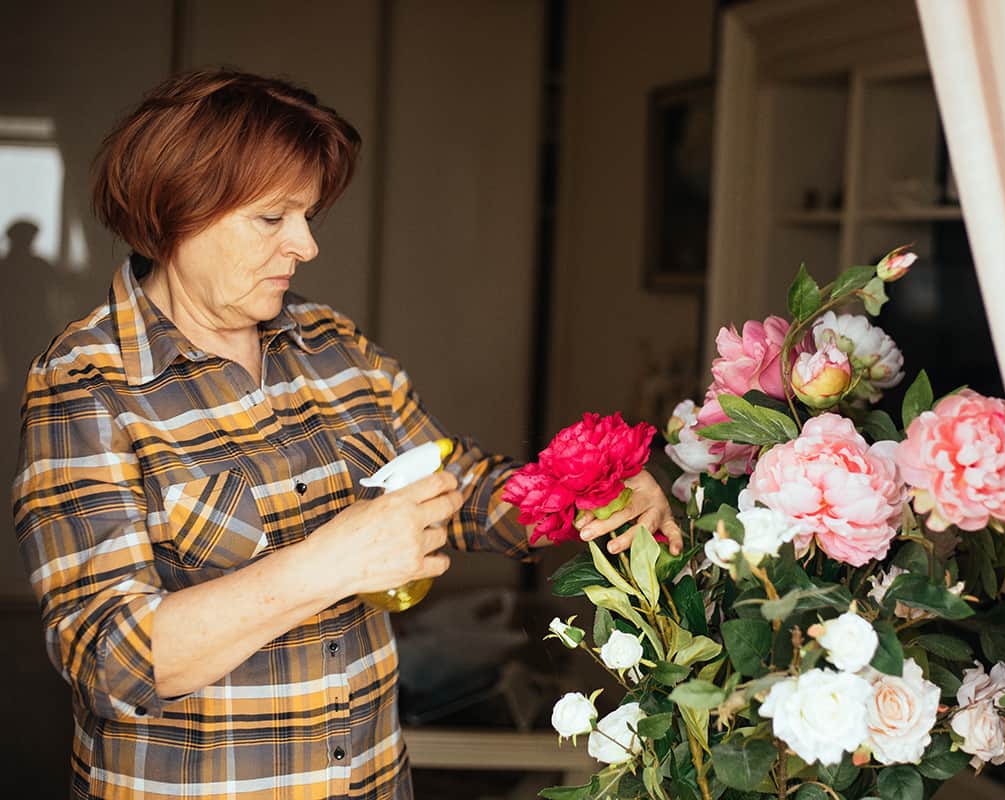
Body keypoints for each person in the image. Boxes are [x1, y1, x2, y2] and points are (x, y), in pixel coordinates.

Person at [11, 69, 683, 800]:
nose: (305, 245)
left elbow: (449, 488)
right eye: (273, 218)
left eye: (308, 216)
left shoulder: (329, 342)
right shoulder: (85, 383)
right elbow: (112, 659)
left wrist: (584, 494)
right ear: (178, 214)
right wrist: (331, 563)